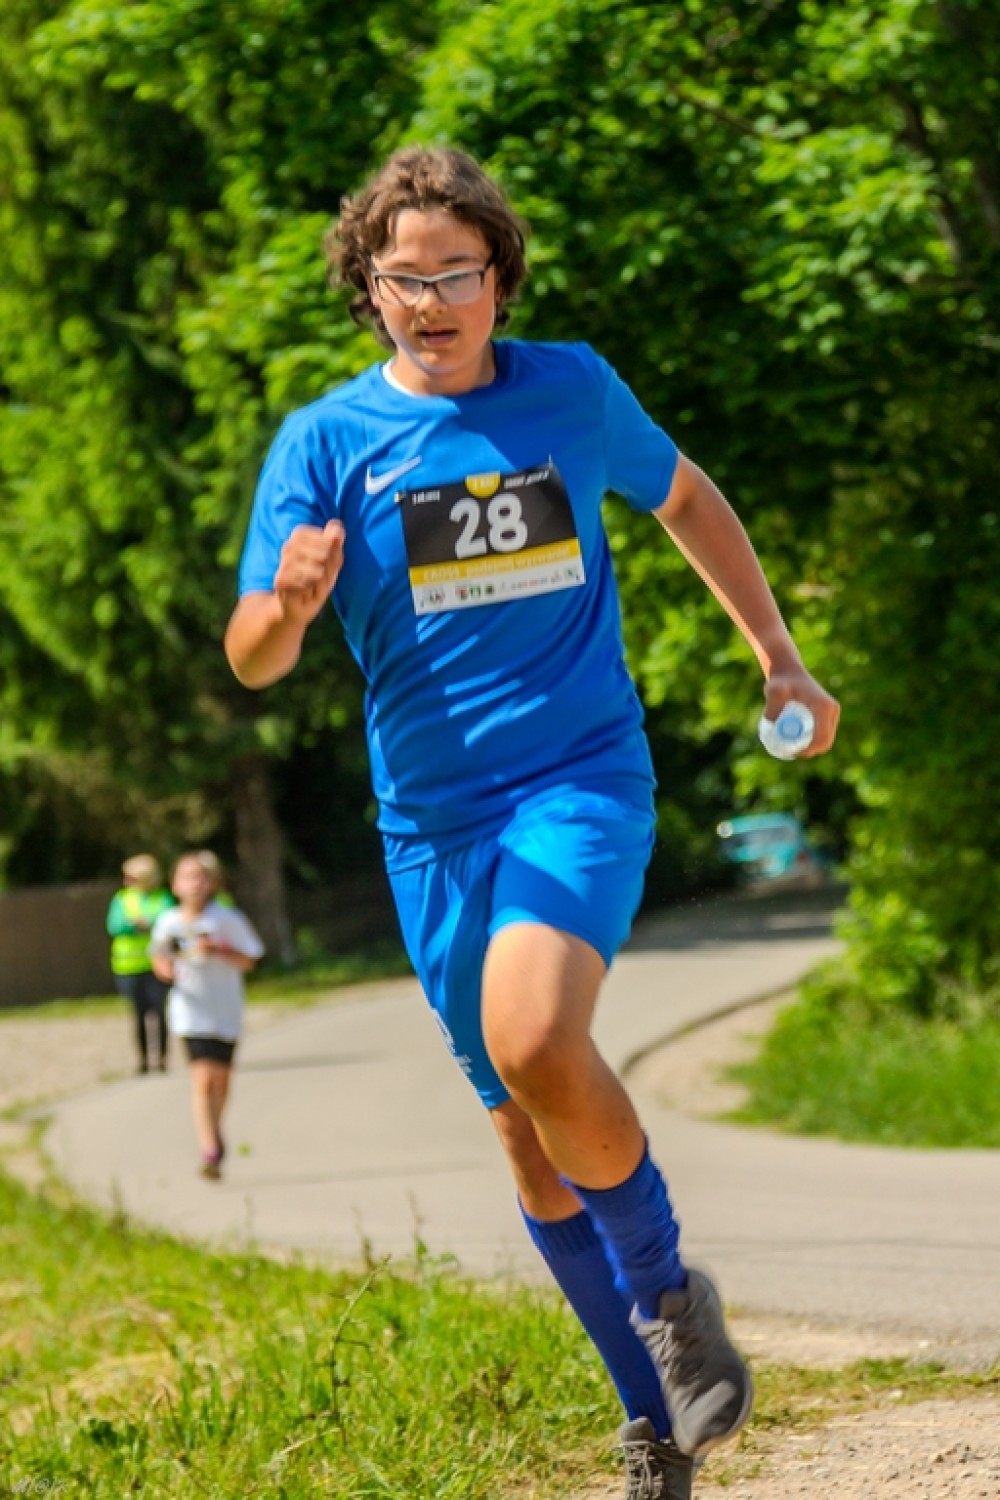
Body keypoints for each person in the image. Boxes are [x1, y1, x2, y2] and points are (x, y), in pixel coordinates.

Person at [223, 146, 840, 1498]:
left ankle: (671, 1296)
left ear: (499, 279)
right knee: (524, 1132)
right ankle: (653, 1421)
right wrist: (290, 603)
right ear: (367, 289)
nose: (431, 301)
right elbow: (251, 656)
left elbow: (685, 497)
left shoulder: (570, 388)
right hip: (430, 832)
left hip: (578, 781)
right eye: (402, 278)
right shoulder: (325, 443)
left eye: (457, 273)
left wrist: (778, 657)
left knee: (536, 1036)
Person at [150, 852, 264, 1180]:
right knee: (202, 1077)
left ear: (212, 883)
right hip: (190, 1011)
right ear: (175, 885)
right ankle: (209, 1148)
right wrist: (165, 969)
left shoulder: (226, 919)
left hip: (225, 1010)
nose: (195, 883)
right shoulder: (169, 922)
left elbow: (250, 959)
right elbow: (159, 957)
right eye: (187, 876)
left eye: (201, 876)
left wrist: (219, 950)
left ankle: (214, 1126)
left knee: (221, 1079)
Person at [106, 853, 175, 1074]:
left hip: (157, 965)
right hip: (128, 967)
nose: (127, 882)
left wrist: (143, 923)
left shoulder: (162, 897)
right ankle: (143, 1059)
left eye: (132, 878)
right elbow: (114, 925)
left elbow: (169, 921)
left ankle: (162, 1057)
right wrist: (138, 925)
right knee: (138, 1014)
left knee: (159, 1012)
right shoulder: (122, 898)